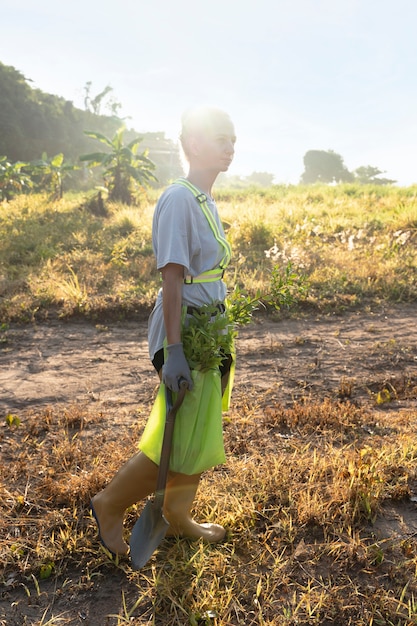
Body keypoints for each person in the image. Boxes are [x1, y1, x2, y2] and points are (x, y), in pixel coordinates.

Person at [90, 106, 236, 556]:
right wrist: (174, 349)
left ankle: (177, 516)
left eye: (233, 138)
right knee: (178, 432)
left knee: (197, 430)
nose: (230, 146)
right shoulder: (177, 197)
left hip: (210, 330)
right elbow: (172, 278)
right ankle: (109, 504)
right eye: (219, 138)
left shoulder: (202, 198)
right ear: (193, 144)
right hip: (185, 331)